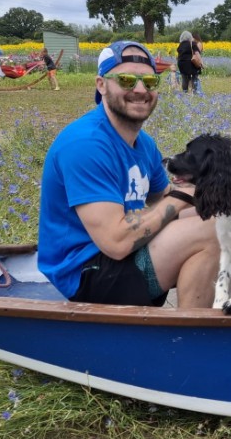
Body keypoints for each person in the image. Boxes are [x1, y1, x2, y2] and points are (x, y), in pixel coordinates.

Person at [38, 40, 220, 307]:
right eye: (125, 80)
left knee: (223, 221)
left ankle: (196, 316)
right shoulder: (86, 144)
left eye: (149, 81)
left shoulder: (143, 143)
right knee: (212, 231)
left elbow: (164, 196)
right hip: (85, 273)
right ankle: (191, 337)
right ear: (101, 85)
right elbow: (116, 242)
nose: (139, 89)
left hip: (118, 258)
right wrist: (185, 195)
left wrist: (223, 205)